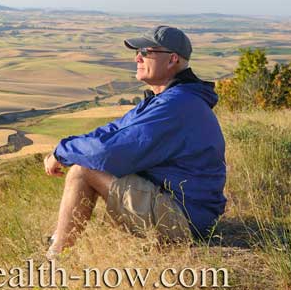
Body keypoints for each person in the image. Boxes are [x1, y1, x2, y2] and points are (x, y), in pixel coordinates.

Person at [44, 25, 226, 258]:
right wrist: (64, 146)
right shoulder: (168, 98)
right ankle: (57, 243)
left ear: (172, 60)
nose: (137, 57)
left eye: (146, 52)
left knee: (83, 170)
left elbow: (107, 154)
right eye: (137, 51)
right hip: (186, 211)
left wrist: (62, 152)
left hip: (185, 221)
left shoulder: (176, 105)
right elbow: (112, 130)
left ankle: (55, 257)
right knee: (86, 164)